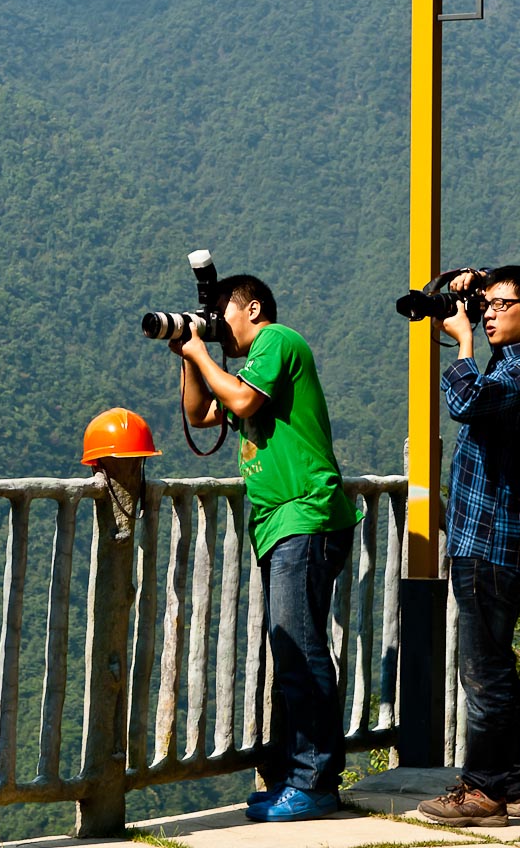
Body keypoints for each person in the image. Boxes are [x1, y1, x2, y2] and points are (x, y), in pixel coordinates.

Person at [168, 273, 362, 823]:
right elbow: (202, 414)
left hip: (305, 514)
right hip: (282, 522)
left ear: (252, 308)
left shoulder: (277, 341)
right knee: (291, 651)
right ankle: (289, 778)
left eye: (221, 316)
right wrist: (190, 354)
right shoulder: (247, 364)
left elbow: (242, 400)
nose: (216, 327)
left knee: (301, 651)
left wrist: (207, 356)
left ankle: (315, 782)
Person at [418, 265, 520, 828]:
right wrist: (464, 286)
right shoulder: (516, 355)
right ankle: (514, 787)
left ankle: (483, 793)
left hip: (493, 543)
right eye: (489, 303)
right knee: (493, 663)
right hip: (494, 536)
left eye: (504, 305)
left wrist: (463, 343)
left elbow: (467, 402)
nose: (492, 312)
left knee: (482, 671)